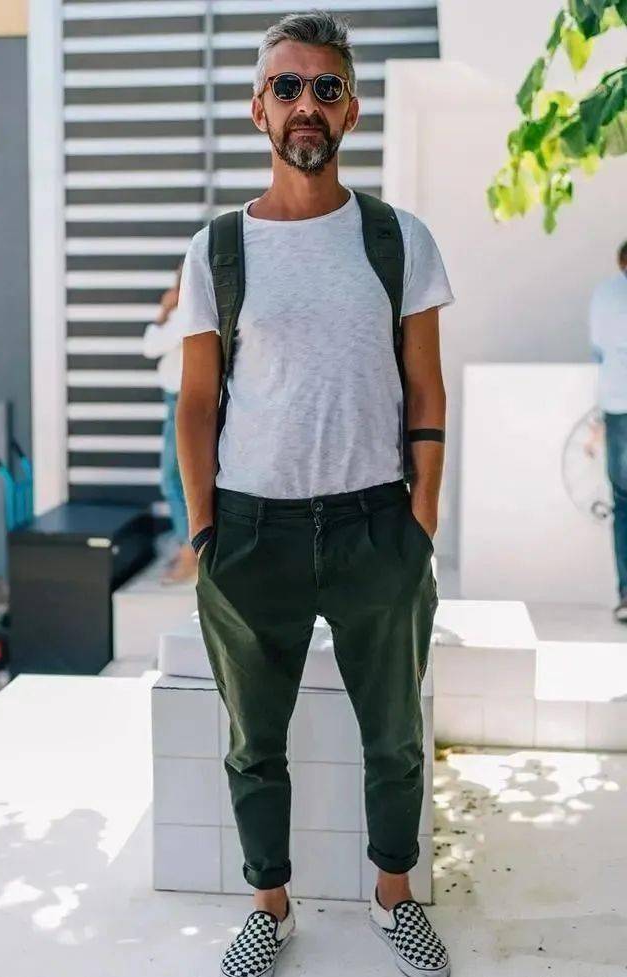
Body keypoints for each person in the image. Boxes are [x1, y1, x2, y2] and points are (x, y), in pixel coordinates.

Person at [176, 11, 455, 977]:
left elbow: (426, 388)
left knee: (395, 735)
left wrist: (421, 522)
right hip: (252, 533)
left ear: (351, 109)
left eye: (325, 87)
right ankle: (270, 907)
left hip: (378, 524)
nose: (307, 104)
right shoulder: (218, 249)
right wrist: (205, 530)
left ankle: (393, 898)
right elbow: (198, 403)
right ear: (258, 108)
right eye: (287, 87)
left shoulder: (397, 239)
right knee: (255, 742)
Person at [142, 263, 198, 585]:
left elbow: (150, 347)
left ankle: (190, 551)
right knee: (180, 478)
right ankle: (187, 545)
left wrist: (163, 310)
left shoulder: (186, 313)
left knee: (173, 479)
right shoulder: (190, 312)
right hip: (178, 400)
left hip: (180, 401)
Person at [589, 239, 627, 623]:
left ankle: (626, 595)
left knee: (624, 501)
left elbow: (598, 346)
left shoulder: (606, 293)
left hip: (619, 405)